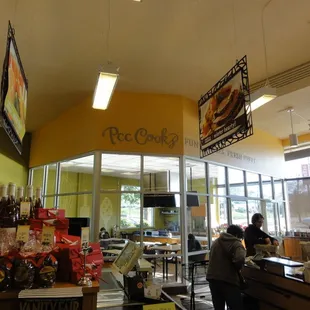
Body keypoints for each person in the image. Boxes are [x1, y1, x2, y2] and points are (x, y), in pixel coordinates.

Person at [207, 225, 246, 310]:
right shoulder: (236, 244)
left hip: (213, 278)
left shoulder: (216, 242)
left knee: (218, 306)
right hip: (228, 280)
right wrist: (237, 267)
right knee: (235, 306)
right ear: (236, 235)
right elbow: (240, 258)